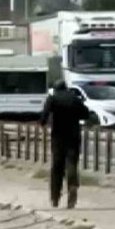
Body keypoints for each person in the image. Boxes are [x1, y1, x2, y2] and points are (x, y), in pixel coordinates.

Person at [39, 80, 90, 209]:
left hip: (58, 136)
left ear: (55, 89)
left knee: (57, 167)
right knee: (71, 163)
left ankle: (55, 197)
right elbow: (86, 114)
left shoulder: (52, 98)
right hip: (73, 136)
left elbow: (44, 115)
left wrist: (43, 123)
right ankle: (72, 185)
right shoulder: (74, 98)